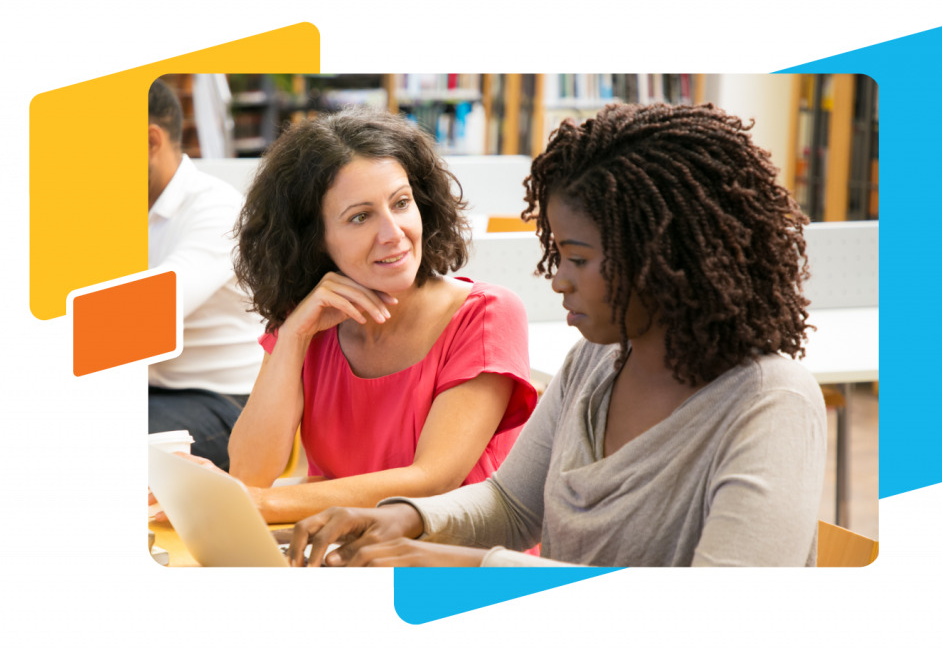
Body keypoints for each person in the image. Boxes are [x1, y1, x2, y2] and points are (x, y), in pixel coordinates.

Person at [286, 102, 829, 568]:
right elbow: (513, 506)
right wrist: (404, 519)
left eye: (578, 259)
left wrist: (468, 564)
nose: (559, 278)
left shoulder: (770, 403)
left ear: (662, 260)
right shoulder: (597, 361)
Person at [149, 105, 538, 527]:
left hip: (451, 562)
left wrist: (256, 503)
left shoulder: (485, 315)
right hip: (339, 546)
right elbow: (250, 470)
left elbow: (432, 482)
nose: (393, 234)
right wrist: (294, 334)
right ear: (315, 240)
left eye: (401, 203)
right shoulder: (306, 321)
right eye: (360, 217)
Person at [146, 78, 265, 469]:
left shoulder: (216, 210)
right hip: (158, 392)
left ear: (150, 142)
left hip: (225, 401)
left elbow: (148, 314)